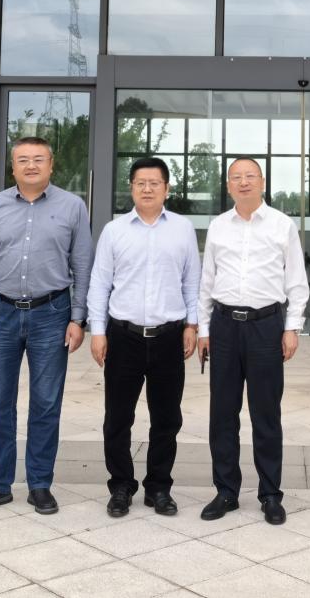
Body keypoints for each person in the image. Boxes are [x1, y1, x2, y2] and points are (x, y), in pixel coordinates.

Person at [0, 136, 93, 516]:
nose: (31, 165)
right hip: (1, 313)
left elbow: (83, 265)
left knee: (46, 402)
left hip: (51, 313)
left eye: (38, 159)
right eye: (23, 159)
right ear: (13, 167)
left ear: (51, 165)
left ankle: (39, 484)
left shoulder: (72, 206)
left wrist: (78, 318)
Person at [198, 157, 309, 526]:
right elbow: (207, 282)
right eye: (236, 177)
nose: (243, 182)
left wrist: (291, 328)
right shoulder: (218, 226)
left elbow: (297, 282)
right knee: (222, 413)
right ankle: (226, 491)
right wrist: (203, 330)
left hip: (266, 326)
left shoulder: (281, 224)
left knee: (266, 414)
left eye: (250, 176)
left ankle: (270, 494)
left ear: (262, 182)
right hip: (224, 326)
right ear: (228, 185)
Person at [88, 157, 199, 519]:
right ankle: (121, 485)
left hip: (169, 336)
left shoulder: (182, 229)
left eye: (154, 183)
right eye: (140, 183)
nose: (147, 189)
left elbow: (192, 282)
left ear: (167, 188)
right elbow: (100, 283)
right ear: (131, 188)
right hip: (124, 336)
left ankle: (159, 487)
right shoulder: (114, 230)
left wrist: (192, 325)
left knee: (167, 418)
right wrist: (98, 331)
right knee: (117, 418)